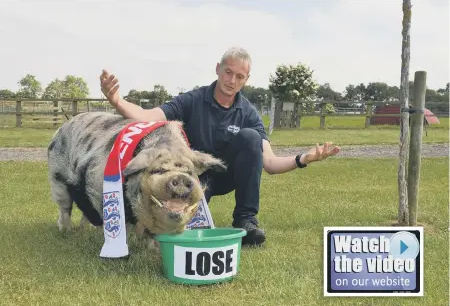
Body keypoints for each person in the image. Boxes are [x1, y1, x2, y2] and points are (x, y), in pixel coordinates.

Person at [99, 46, 341, 246]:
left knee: (251, 138)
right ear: (218, 69)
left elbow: (269, 163)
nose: (231, 80)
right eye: (228, 72)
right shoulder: (193, 100)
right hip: (192, 178)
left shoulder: (248, 113)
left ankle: (246, 221)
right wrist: (117, 101)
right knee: (174, 225)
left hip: (226, 176)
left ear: (246, 80)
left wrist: (302, 159)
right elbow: (150, 115)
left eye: (239, 76)